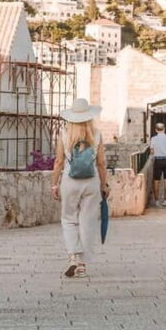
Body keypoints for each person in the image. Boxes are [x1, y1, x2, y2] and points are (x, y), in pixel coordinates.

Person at [50, 98, 108, 279]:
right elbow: (101, 163)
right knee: (87, 221)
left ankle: (73, 257)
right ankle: (82, 265)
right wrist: (104, 184)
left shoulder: (65, 134)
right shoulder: (96, 134)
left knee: (68, 219)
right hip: (91, 181)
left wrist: (54, 183)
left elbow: (59, 161)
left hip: (70, 181)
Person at [151, 123, 166, 207]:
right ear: (164, 129)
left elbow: (152, 151)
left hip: (158, 160)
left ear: (156, 130)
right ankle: (165, 200)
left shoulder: (153, 139)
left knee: (156, 180)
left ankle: (157, 200)